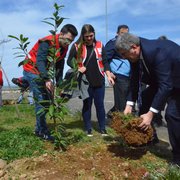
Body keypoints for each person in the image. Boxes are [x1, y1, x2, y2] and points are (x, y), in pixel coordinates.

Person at [115, 32, 180, 166]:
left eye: (124, 54)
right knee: (145, 97)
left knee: (172, 114)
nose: (123, 57)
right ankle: (146, 137)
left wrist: (151, 114)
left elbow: (166, 86)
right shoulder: (135, 56)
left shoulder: (158, 52)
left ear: (134, 47)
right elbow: (134, 80)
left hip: (176, 83)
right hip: (163, 81)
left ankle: (178, 158)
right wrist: (129, 104)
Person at [23, 24, 78, 141]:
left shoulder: (64, 46)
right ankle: (42, 131)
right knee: (42, 101)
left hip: (42, 72)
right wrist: (47, 79)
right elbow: (40, 61)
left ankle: (38, 128)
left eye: (71, 41)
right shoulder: (47, 42)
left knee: (48, 101)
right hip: (32, 69)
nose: (69, 43)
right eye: (68, 39)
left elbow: (59, 63)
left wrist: (59, 83)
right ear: (61, 34)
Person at [67, 24, 114, 136]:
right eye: (86, 36)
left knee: (100, 105)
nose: (89, 38)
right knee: (87, 104)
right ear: (82, 36)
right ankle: (88, 128)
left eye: (91, 36)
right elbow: (69, 61)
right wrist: (78, 68)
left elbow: (105, 62)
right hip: (85, 82)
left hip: (99, 81)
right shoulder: (76, 46)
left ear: (94, 34)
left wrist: (108, 76)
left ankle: (102, 128)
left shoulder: (100, 45)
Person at [105, 25, 131, 118]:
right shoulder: (112, 43)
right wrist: (109, 72)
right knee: (121, 101)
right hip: (118, 75)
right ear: (117, 33)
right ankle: (119, 122)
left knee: (126, 100)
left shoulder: (129, 44)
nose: (124, 35)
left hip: (129, 76)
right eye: (122, 33)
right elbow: (105, 59)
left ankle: (111, 115)